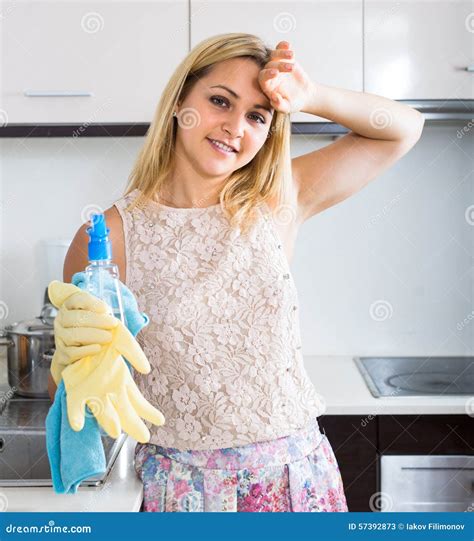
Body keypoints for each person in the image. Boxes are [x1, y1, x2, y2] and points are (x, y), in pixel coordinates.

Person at [49, 32, 424, 512]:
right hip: (180, 491)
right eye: (219, 101)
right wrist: (75, 362)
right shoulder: (107, 237)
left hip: (297, 480)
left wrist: (312, 97)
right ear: (180, 101)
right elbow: (82, 393)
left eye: (257, 116)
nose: (234, 127)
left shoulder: (276, 201)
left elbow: (403, 128)